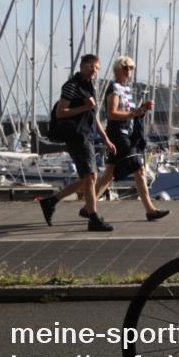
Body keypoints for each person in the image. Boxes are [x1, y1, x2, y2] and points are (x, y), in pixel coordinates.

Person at [39, 54, 117, 231]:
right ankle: (93, 217)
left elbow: (93, 116)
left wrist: (105, 139)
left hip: (87, 136)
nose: (95, 71)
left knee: (88, 177)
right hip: (76, 137)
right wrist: (84, 106)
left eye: (97, 68)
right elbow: (60, 112)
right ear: (82, 66)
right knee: (90, 177)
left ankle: (51, 201)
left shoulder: (89, 87)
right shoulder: (71, 86)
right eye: (92, 66)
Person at [90, 56, 170, 221]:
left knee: (109, 174)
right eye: (125, 67)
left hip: (124, 133)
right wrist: (135, 112)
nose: (128, 71)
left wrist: (141, 110)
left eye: (131, 68)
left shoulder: (124, 89)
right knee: (139, 170)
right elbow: (112, 114)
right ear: (117, 69)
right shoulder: (114, 88)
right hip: (119, 135)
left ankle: (88, 206)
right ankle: (150, 209)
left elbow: (128, 114)